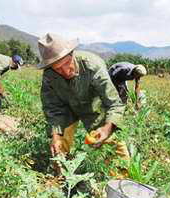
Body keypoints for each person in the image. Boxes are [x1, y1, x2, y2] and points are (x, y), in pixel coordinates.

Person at [38, 33, 130, 175]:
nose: (65, 71)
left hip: (92, 106)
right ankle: (62, 178)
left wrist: (107, 128)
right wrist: (56, 135)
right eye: (58, 69)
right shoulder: (49, 75)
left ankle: (121, 180)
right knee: (58, 144)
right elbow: (52, 107)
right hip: (66, 109)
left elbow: (114, 103)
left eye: (66, 64)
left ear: (71, 54)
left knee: (111, 143)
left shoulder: (93, 66)